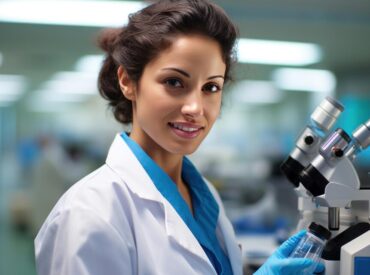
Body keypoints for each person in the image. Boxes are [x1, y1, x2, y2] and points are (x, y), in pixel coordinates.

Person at [34, 0, 324, 274]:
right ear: (127, 82)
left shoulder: (204, 195)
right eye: (174, 82)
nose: (196, 108)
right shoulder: (90, 213)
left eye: (211, 87)